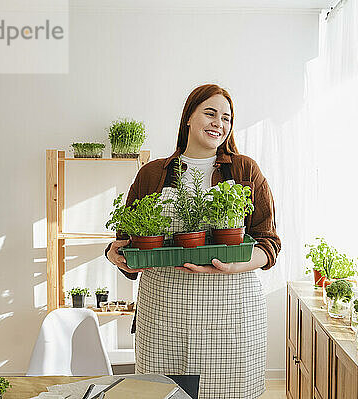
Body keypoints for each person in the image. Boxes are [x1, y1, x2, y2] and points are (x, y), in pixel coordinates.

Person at [105, 84, 281, 398]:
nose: (219, 123)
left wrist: (234, 265)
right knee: (161, 393)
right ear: (189, 117)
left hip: (232, 314)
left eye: (226, 118)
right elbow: (125, 242)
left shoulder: (245, 171)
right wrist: (113, 253)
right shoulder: (152, 174)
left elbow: (269, 244)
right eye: (210, 113)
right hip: (163, 315)